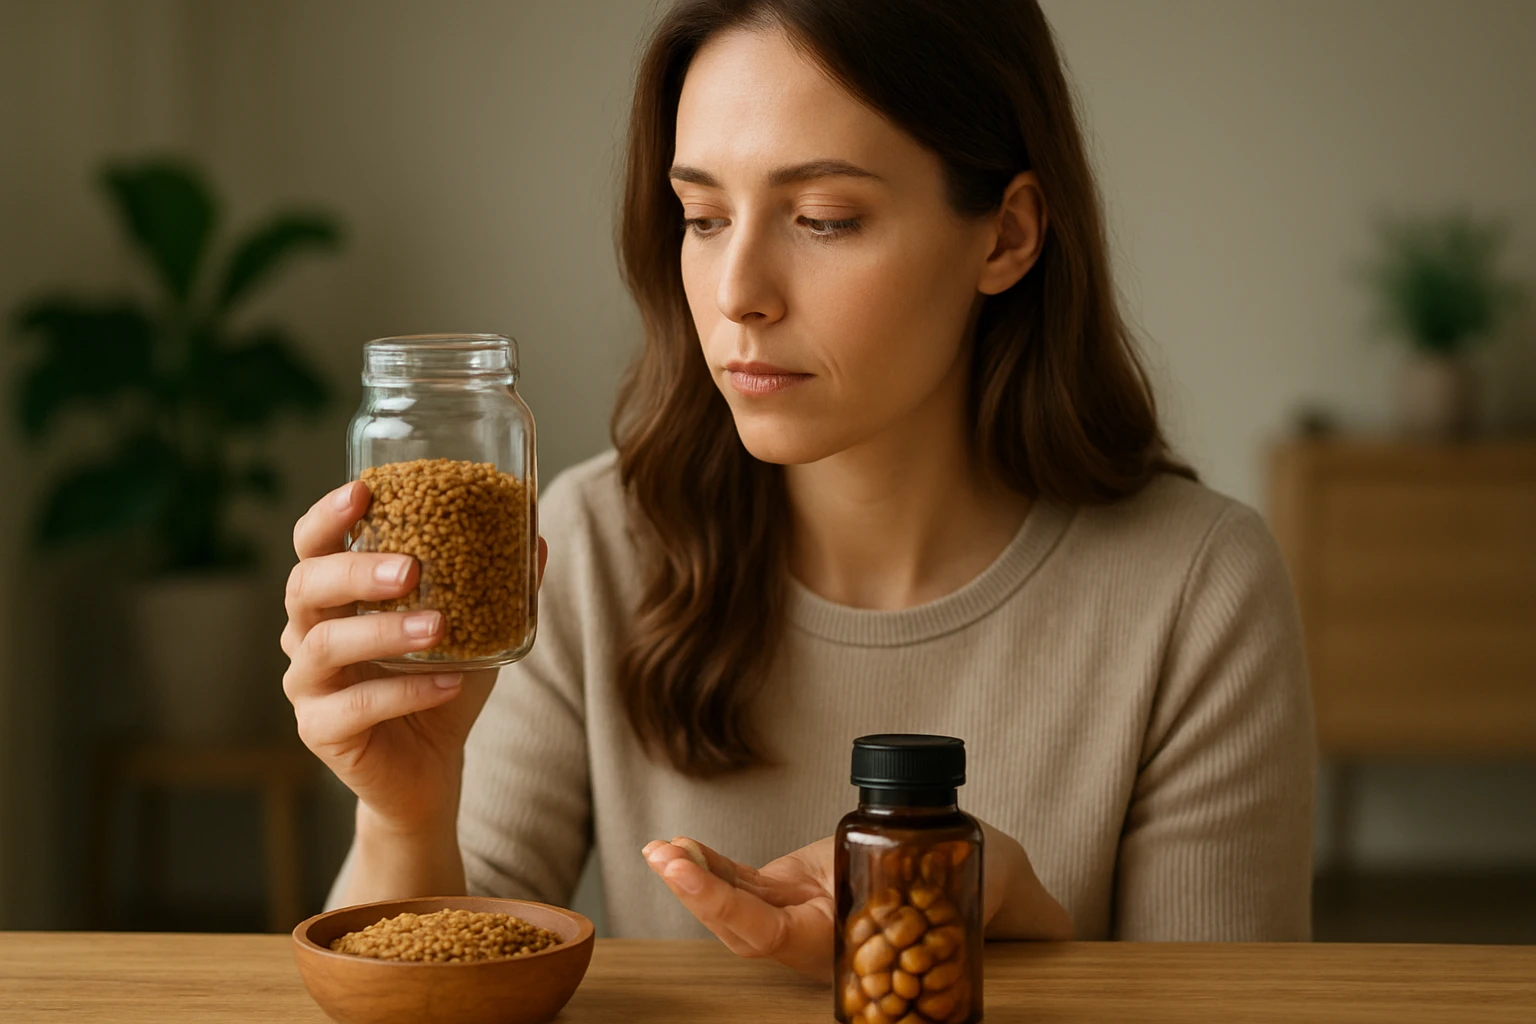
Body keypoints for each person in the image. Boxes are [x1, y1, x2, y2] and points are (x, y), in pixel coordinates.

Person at [281, 0, 1315, 980]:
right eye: (700, 216)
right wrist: (407, 816)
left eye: (822, 218)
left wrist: (1012, 919)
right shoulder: (590, 546)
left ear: (1006, 236)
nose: (738, 294)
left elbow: (1217, 998)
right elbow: (443, 975)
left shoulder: (1196, 588)